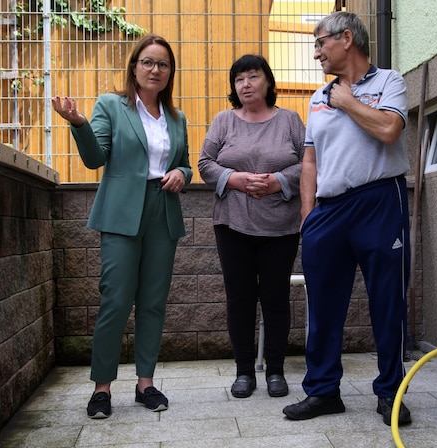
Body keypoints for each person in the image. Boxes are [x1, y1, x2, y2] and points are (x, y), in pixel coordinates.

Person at [281, 11, 413, 427]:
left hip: (379, 201)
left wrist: (349, 101)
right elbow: (309, 160)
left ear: (347, 39)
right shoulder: (317, 97)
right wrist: (308, 216)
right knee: (323, 305)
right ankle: (322, 391)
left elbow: (390, 129)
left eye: (321, 42)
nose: (316, 51)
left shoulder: (389, 81)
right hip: (328, 211)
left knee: (388, 302)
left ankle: (391, 392)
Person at [51, 34, 193, 419]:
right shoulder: (111, 105)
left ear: (170, 73)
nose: (155, 70)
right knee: (115, 299)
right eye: (148, 62)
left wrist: (181, 172)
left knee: (152, 302)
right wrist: (78, 122)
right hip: (121, 213)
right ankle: (101, 388)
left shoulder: (176, 118)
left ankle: (145, 383)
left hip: (163, 212)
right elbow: (95, 158)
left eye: (163, 64)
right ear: (134, 66)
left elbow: (185, 163)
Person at [198, 54, 305, 399]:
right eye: (239, 79)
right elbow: (204, 163)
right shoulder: (224, 121)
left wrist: (278, 181)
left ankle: (275, 371)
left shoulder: (290, 120)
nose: (246, 84)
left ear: (268, 82)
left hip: (281, 227)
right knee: (240, 300)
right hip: (232, 225)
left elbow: (310, 163)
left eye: (253, 77)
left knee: (275, 299)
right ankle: (244, 372)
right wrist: (235, 178)